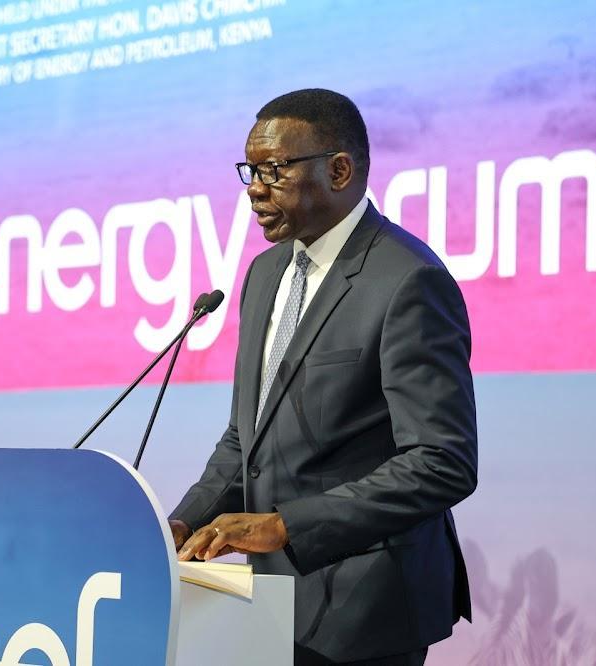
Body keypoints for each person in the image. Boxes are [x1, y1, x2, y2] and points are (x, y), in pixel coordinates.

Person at [169, 89, 478, 666]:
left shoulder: (408, 280)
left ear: (338, 171)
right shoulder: (264, 274)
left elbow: (442, 461)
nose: (254, 189)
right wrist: (184, 522)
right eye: (250, 171)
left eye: (273, 170)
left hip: (368, 607)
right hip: (268, 605)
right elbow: (246, 438)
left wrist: (288, 525)